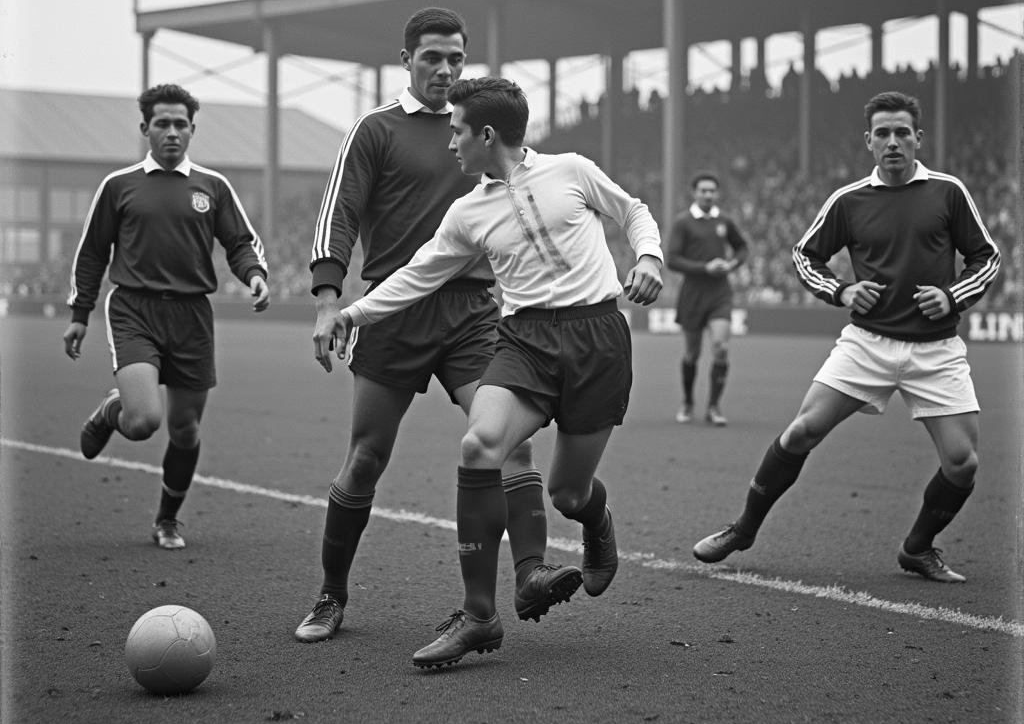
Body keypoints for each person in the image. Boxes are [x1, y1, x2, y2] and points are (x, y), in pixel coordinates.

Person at [316, 76, 664, 668]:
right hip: (524, 342)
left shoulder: (571, 171)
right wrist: (350, 311)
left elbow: (632, 211)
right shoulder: (466, 212)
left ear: (485, 134)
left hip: (598, 339)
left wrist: (649, 255)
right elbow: (417, 274)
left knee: (567, 492)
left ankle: (596, 519)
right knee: (480, 445)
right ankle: (480, 615)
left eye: (455, 131)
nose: (449, 142)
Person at [297, 9, 581, 644]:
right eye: (432, 57)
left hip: (473, 315)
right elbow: (337, 214)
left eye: (455, 57)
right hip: (393, 312)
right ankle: (331, 594)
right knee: (367, 458)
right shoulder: (373, 131)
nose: (445, 68)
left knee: (509, 441)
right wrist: (326, 300)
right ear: (406, 59)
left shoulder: (480, 129)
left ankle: (529, 574)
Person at [693, 91, 1001, 583]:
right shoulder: (849, 199)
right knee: (801, 432)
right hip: (867, 343)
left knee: (963, 464)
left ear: (918, 138)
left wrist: (953, 296)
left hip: (937, 349)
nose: (894, 142)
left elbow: (987, 257)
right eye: (883, 133)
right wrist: (841, 290)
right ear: (869, 141)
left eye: (903, 132)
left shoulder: (948, 191)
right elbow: (803, 256)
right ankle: (744, 528)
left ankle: (917, 548)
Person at [63, 83, 270, 550]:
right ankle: (112, 409)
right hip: (134, 309)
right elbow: (92, 253)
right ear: (145, 129)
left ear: (192, 130)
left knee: (186, 429)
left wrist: (254, 273)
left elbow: (240, 242)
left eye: (181, 124)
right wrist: (80, 312)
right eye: (162, 124)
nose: (172, 132)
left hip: (193, 316)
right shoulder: (119, 186)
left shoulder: (213, 187)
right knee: (142, 423)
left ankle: (167, 520)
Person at [666, 172, 748, 425]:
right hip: (692, 294)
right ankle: (688, 402)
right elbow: (673, 260)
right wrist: (705, 268)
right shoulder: (683, 223)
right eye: (704, 190)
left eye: (712, 190)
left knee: (721, 348)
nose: (708, 195)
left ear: (717, 193)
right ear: (695, 192)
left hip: (719, 294)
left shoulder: (724, 221)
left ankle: (713, 407)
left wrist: (732, 264)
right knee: (692, 353)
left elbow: (742, 247)